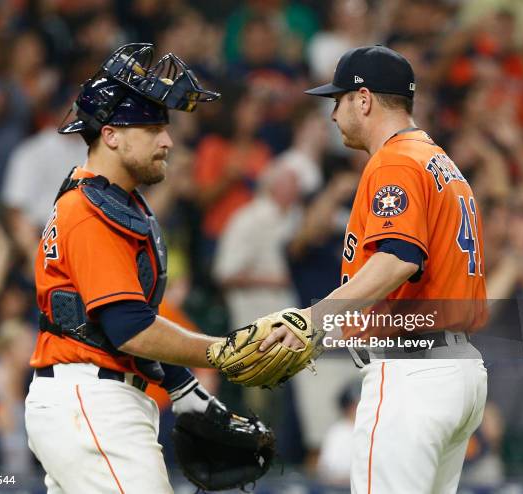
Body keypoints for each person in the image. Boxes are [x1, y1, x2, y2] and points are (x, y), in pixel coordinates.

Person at [259, 45, 489, 493]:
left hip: (413, 374)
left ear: (363, 99)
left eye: (337, 100)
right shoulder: (439, 160)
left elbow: (400, 257)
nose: (332, 116)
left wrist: (315, 318)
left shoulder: (395, 159)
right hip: (456, 368)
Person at [24, 43, 240, 493]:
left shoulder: (114, 201)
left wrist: (182, 388)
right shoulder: (89, 211)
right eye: (152, 127)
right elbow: (130, 327)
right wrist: (223, 352)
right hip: (92, 402)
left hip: (90, 399)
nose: (168, 140)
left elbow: (116, 321)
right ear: (111, 135)